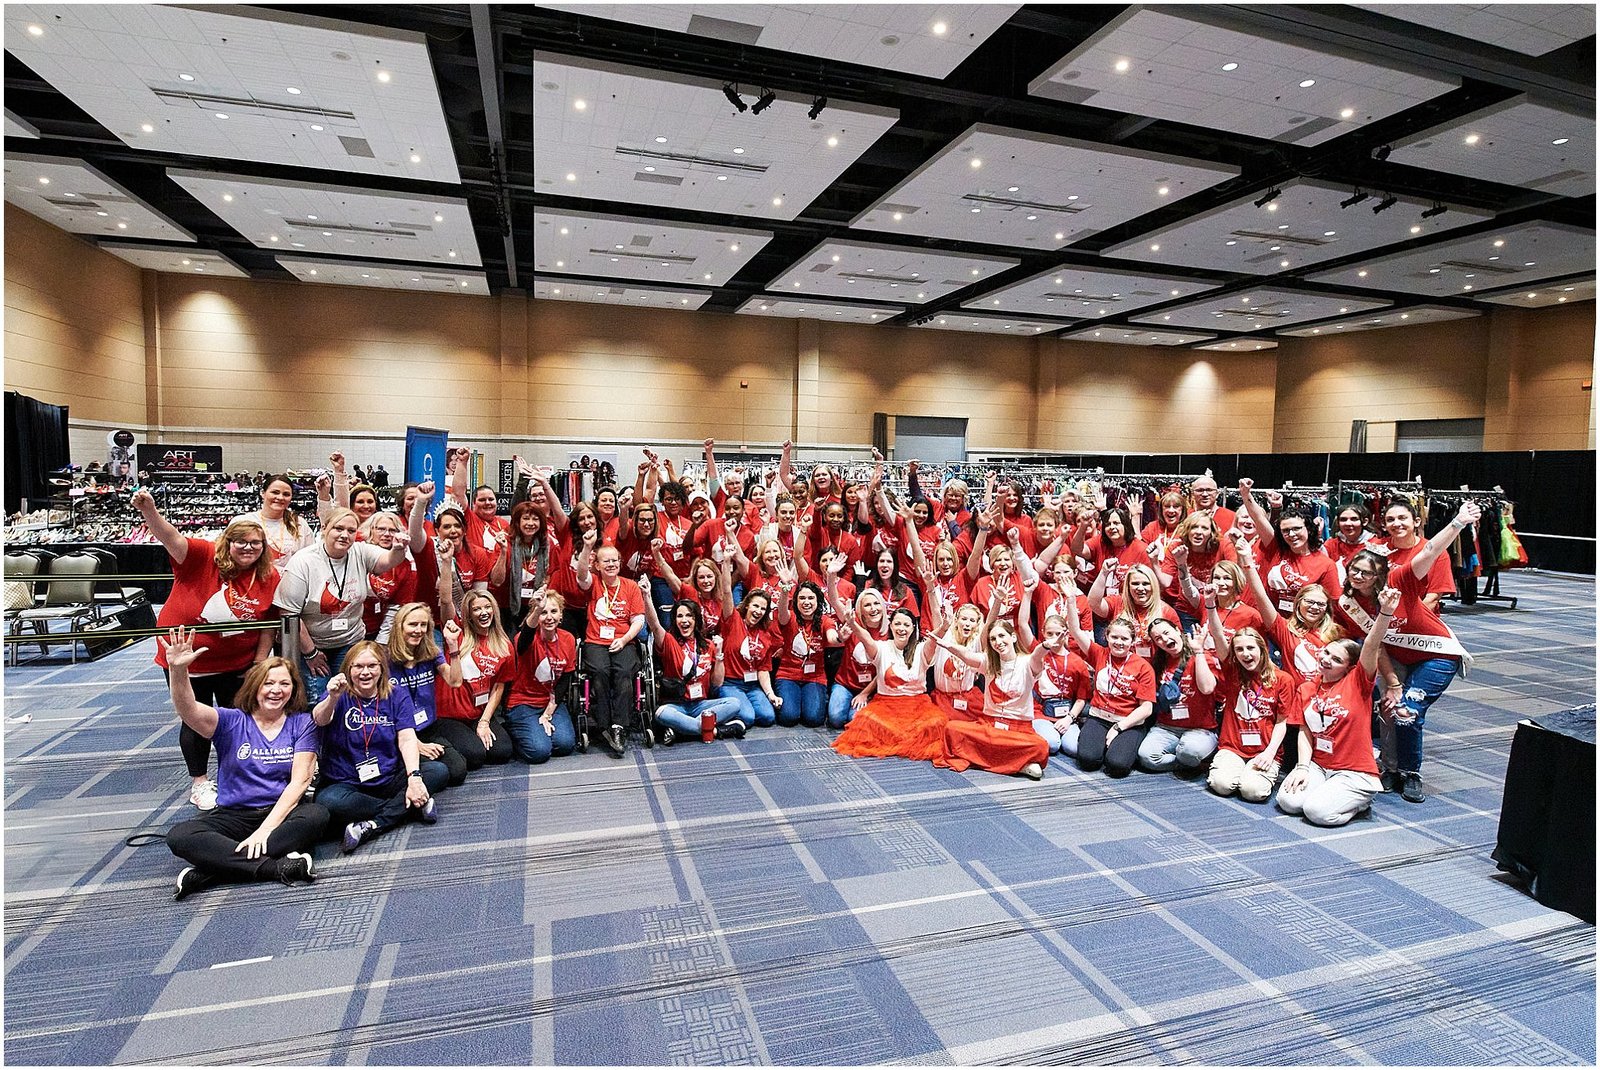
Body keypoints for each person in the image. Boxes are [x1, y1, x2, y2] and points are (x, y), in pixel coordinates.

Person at [134, 489, 280, 811]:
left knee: (238, 721)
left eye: (256, 543)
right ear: (227, 542)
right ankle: (199, 782)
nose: (248, 548)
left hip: (237, 664)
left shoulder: (268, 575)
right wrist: (150, 512)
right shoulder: (202, 556)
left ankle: (238, 775)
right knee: (195, 720)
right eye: (241, 541)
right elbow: (170, 537)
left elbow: (269, 622)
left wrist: (259, 662)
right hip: (188, 661)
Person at [162, 627, 327, 899]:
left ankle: (215, 870)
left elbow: (300, 783)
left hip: (280, 812)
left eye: (284, 684)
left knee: (316, 816)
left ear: (294, 689)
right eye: (268, 683)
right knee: (181, 835)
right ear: (255, 687)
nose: (276, 690)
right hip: (234, 814)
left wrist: (265, 830)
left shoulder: (302, 723)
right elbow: (188, 710)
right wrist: (178, 670)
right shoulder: (231, 720)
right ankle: (275, 868)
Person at [1337, 502, 1481, 802]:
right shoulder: (1350, 604)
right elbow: (1375, 645)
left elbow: (1429, 552)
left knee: (1408, 711)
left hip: (1435, 653)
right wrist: (1392, 683)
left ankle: (1411, 772)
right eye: (1354, 571)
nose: (1359, 577)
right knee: (1389, 708)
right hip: (1394, 655)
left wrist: (1458, 523)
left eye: (1366, 573)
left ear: (1379, 575)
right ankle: (1390, 768)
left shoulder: (1399, 581)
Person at [275, 495, 427, 701]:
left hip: (349, 641)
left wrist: (398, 548)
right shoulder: (303, 561)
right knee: (319, 699)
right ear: (325, 529)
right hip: (311, 644)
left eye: (351, 530)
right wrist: (311, 653)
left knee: (350, 697)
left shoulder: (359, 551)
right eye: (338, 528)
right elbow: (289, 614)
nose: (345, 535)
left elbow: (387, 561)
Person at [1277, 587, 1402, 827]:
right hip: (1319, 765)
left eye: (1336, 660)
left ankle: (1361, 802)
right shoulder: (1307, 688)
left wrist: (1385, 613)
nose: (1326, 659)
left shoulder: (1357, 682)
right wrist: (1302, 767)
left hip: (1353, 771)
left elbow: (1371, 646)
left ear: (1349, 668)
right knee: (1288, 802)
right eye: (1326, 653)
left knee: (1316, 812)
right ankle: (1329, 791)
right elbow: (1305, 731)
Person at [312, 642, 447, 854]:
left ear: (382, 668)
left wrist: (414, 778)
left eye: (372, 666)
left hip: (388, 777)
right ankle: (410, 807)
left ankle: (373, 825)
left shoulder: (396, 694)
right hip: (347, 781)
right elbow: (320, 719)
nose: (365, 672)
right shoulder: (339, 694)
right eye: (358, 666)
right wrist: (332, 698)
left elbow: (407, 739)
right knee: (328, 801)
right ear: (348, 669)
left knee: (438, 771)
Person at [933, 591, 1055, 780]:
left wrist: (1045, 646)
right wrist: (948, 646)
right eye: (993, 639)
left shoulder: (1027, 662)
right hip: (990, 726)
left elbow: (1038, 656)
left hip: (1018, 729)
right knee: (952, 729)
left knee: (1041, 746)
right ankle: (1017, 763)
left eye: (1001, 636)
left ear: (1013, 637)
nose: (998, 642)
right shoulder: (989, 662)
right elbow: (967, 655)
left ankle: (987, 757)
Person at [1061, 580, 1157, 776]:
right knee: (1088, 760)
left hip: (1128, 721)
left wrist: (1119, 728)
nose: (1119, 642)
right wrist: (1071, 600)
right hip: (1098, 717)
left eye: (1124, 639)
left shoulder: (1143, 667)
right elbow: (1075, 630)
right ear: (1106, 637)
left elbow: (1146, 708)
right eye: (1114, 637)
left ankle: (1126, 743)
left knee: (1117, 766)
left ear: (1132, 641)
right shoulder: (1099, 653)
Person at [830, 606, 950, 763]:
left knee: (935, 724)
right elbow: (866, 638)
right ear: (891, 626)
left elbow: (934, 640)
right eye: (897, 624)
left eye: (906, 625)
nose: (902, 629)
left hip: (917, 705)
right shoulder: (882, 647)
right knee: (867, 722)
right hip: (885, 703)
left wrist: (944, 627)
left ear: (913, 628)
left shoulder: (921, 649)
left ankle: (902, 741)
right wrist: (853, 624)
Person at [640, 587, 745, 744]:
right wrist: (647, 596)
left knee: (734, 704)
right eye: (680, 616)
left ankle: (682, 731)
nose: (684, 620)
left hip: (700, 705)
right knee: (661, 714)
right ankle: (716, 731)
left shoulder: (708, 645)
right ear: (674, 620)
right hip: (676, 705)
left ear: (696, 620)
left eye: (689, 615)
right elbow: (654, 625)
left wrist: (719, 654)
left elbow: (717, 683)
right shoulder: (669, 641)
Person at [574, 537, 648, 756]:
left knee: (625, 672)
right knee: (600, 671)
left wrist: (624, 639)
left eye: (614, 560)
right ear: (597, 565)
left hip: (623, 640)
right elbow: (581, 574)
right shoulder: (594, 583)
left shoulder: (630, 586)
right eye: (606, 561)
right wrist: (588, 547)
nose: (611, 564)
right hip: (596, 642)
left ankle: (619, 726)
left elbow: (638, 620)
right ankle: (604, 724)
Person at [386, 601, 468, 785]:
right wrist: (416, 744)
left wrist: (453, 646)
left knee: (458, 771)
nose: (418, 630)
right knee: (440, 772)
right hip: (399, 734)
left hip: (428, 727)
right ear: (399, 626)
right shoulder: (385, 660)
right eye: (413, 624)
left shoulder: (431, 653)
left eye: (423, 625)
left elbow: (455, 681)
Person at [434, 588, 516, 770]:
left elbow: (499, 687)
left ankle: (471, 738)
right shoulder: (456, 634)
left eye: (487, 607)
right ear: (469, 615)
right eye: (477, 609)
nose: (483, 612)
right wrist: (446, 569)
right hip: (449, 716)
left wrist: (484, 722)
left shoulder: (504, 645)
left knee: (502, 751)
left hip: (477, 714)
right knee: (475, 755)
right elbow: (446, 601)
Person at [504, 588, 580, 763]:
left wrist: (547, 713)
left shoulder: (568, 639)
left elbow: (564, 680)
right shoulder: (526, 638)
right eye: (543, 613)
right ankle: (513, 729)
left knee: (565, 744)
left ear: (561, 615)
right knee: (539, 752)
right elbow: (525, 636)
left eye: (554, 611)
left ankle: (534, 731)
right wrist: (538, 608)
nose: (549, 617)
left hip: (549, 702)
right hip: (523, 702)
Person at [1135, 619, 1220, 774]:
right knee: (1146, 757)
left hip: (1200, 729)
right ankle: (1190, 763)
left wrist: (1199, 651)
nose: (1164, 639)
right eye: (1158, 638)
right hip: (1166, 727)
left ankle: (1189, 756)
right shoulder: (1158, 664)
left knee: (1189, 751)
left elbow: (1207, 688)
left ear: (1177, 630)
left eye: (1166, 633)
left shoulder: (1202, 657)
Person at [233, 474, 315, 570]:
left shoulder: (300, 524)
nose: (280, 497)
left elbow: (311, 559)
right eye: (275, 492)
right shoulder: (242, 522)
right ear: (263, 493)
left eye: (286, 494)